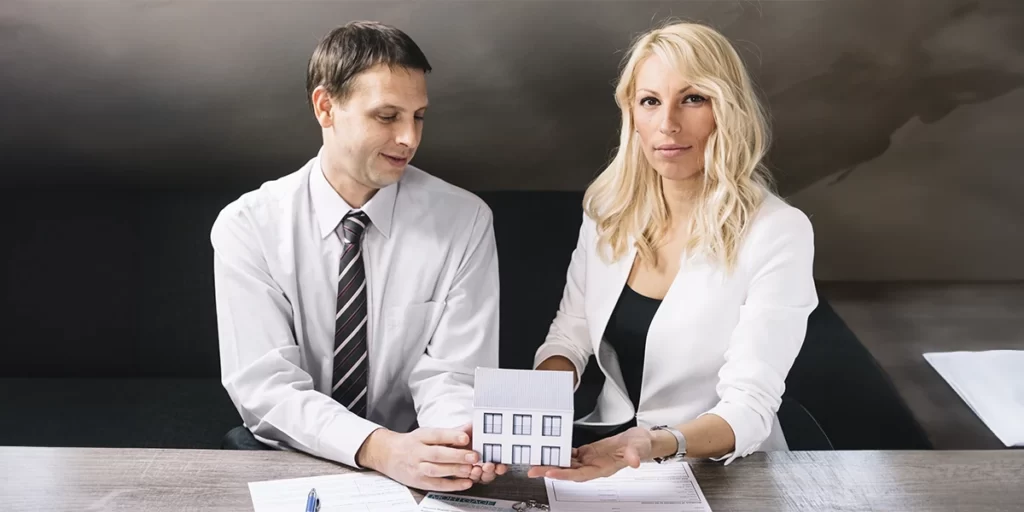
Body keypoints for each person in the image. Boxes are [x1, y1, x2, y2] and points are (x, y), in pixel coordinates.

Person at [211, 21, 506, 491]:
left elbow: (453, 376)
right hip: (291, 454)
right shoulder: (248, 226)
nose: (410, 137)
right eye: (387, 116)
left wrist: (452, 445)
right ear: (325, 107)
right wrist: (379, 448)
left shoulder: (465, 221)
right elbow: (268, 390)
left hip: (417, 458)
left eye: (419, 116)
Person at [528, 21, 817, 482]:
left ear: (727, 110)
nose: (667, 124)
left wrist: (658, 443)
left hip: (725, 466)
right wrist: (540, 399)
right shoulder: (608, 210)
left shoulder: (779, 231)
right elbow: (572, 332)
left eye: (693, 99)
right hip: (613, 453)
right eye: (650, 101)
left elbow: (749, 405)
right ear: (632, 115)